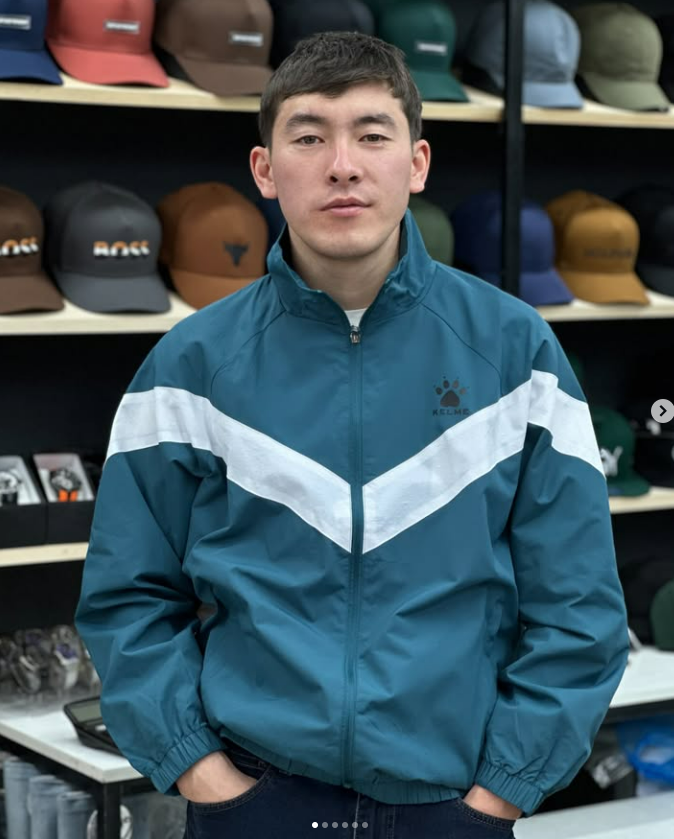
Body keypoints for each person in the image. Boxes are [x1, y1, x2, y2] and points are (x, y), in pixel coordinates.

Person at [75, 31, 630, 839]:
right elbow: (127, 597)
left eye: (372, 135)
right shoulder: (190, 366)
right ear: (265, 169)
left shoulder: (518, 356)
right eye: (308, 137)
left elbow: (579, 607)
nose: (342, 165)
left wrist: (502, 790)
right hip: (254, 801)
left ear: (417, 163)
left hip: (452, 805)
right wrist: (202, 772)